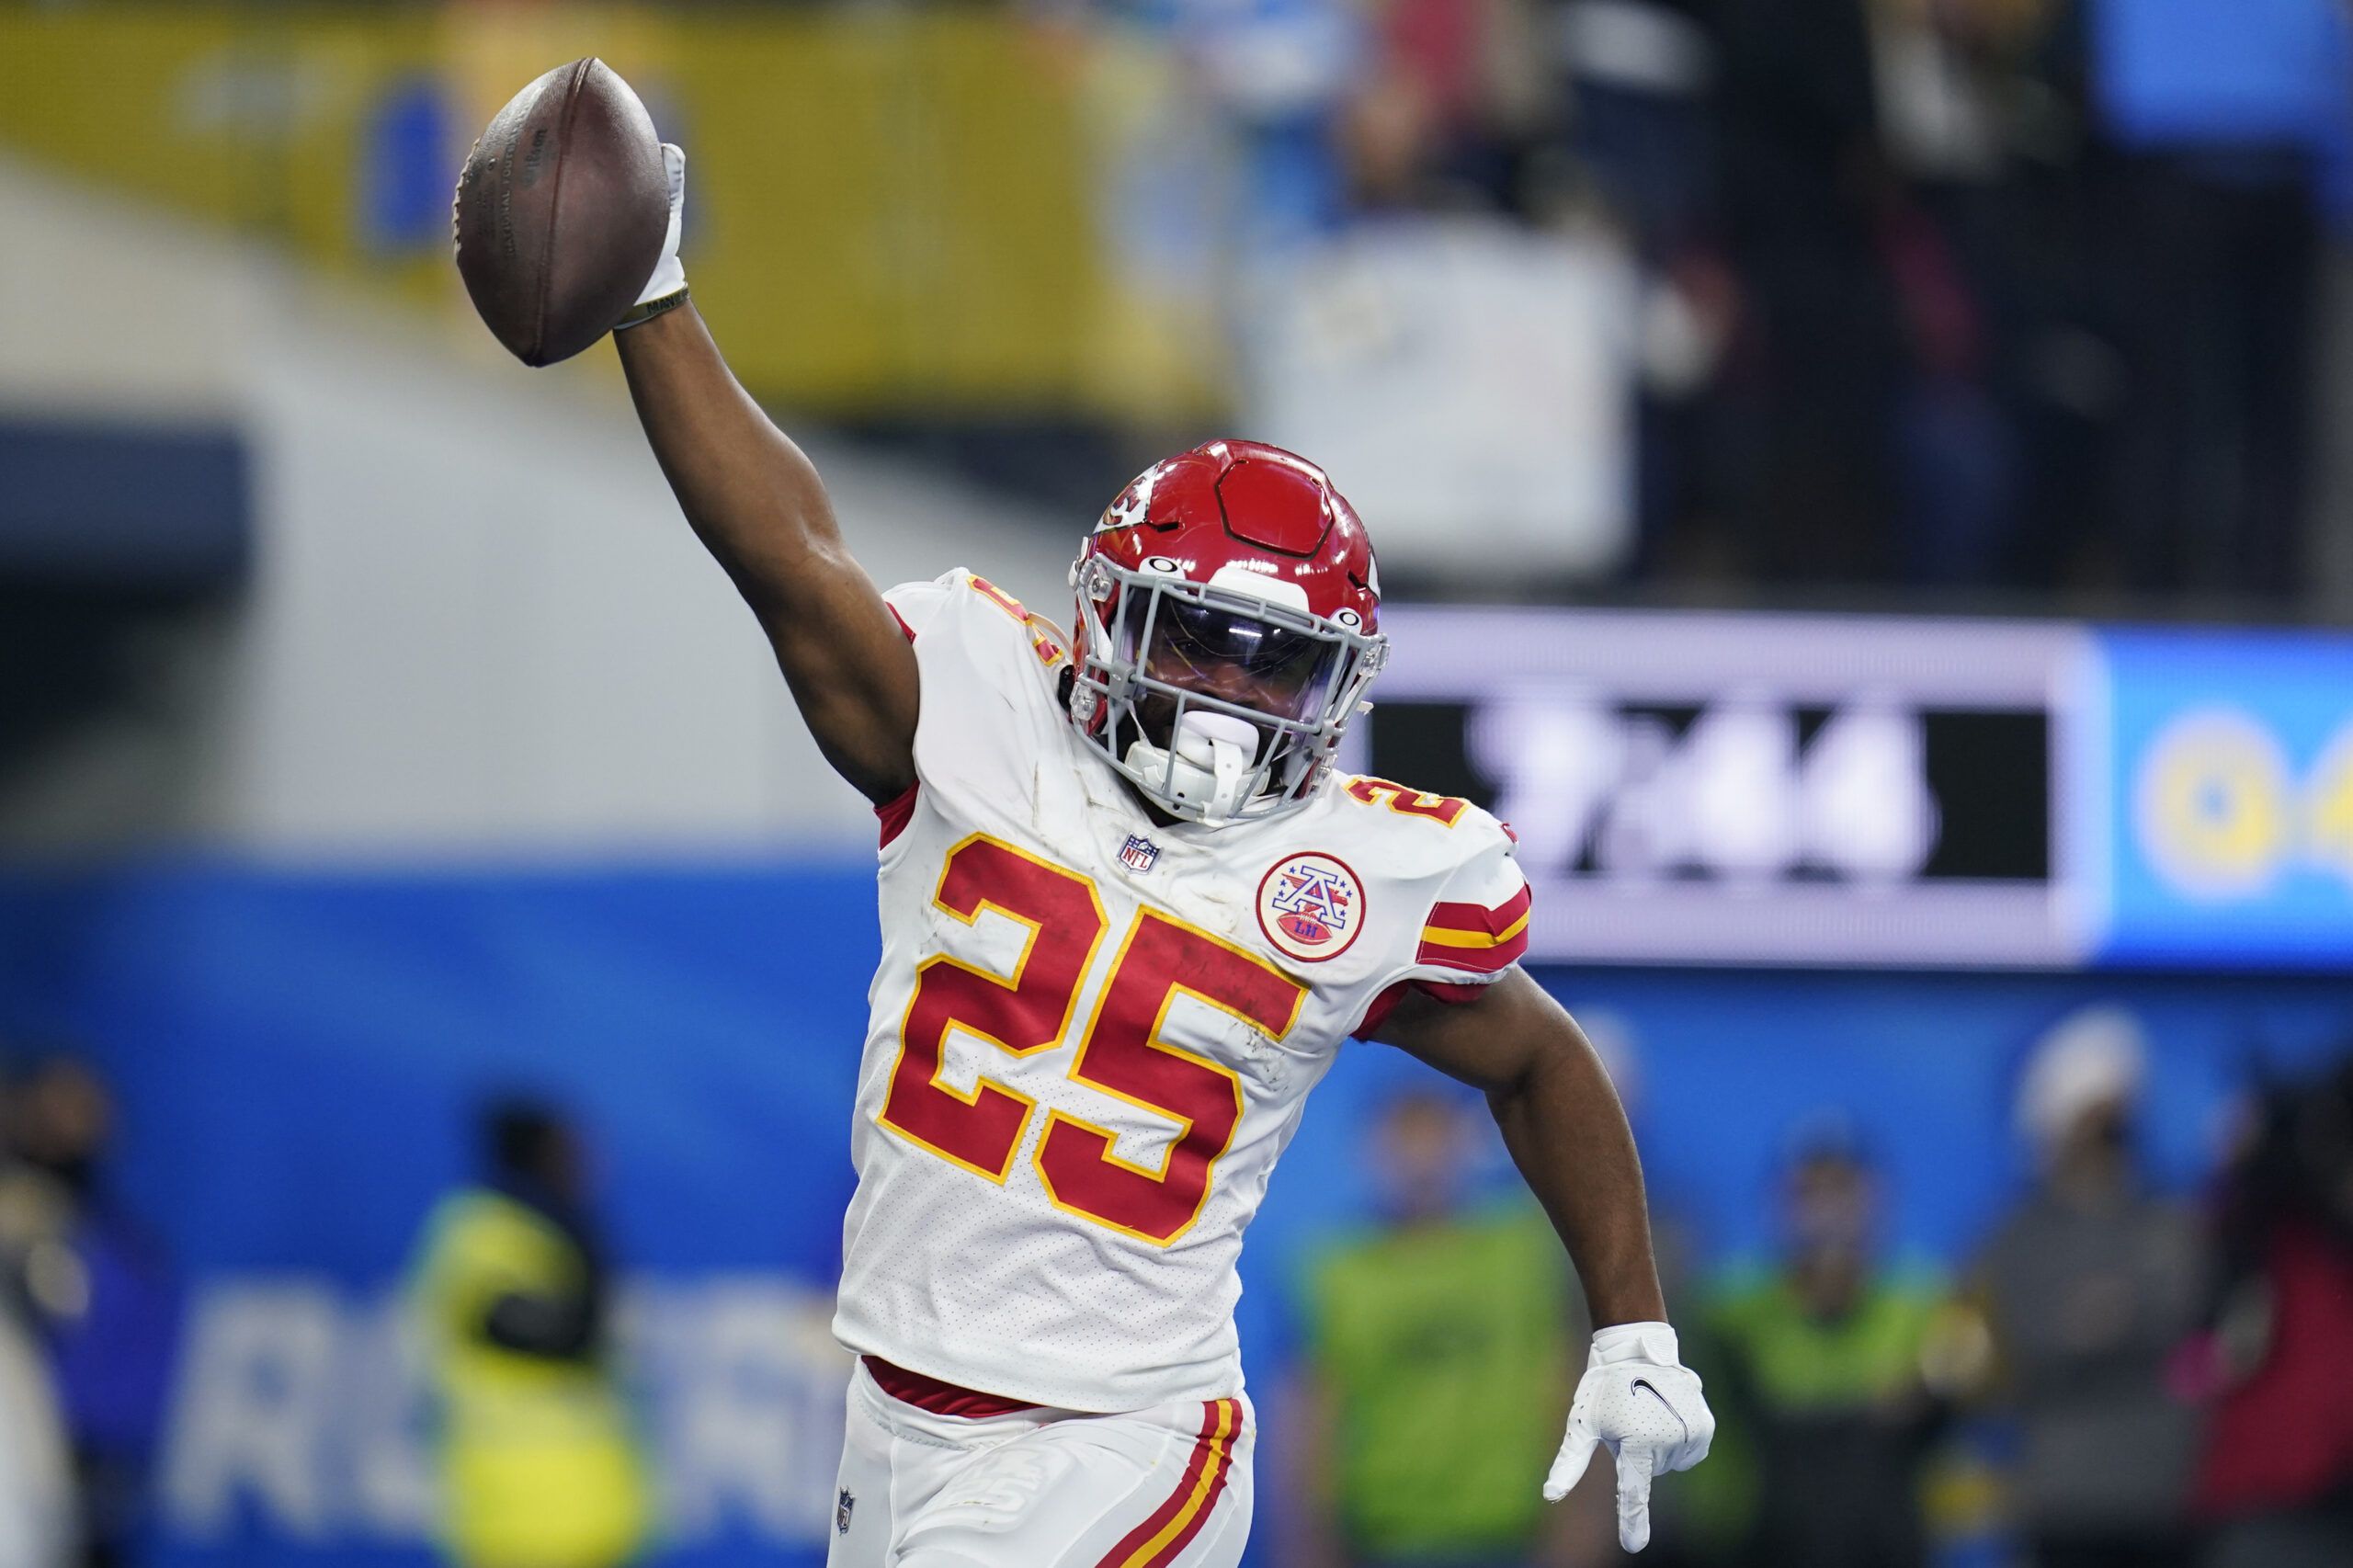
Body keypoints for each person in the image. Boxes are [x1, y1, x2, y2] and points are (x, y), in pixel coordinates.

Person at [578, 145, 1713, 1567]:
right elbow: (792, 560)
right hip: (894, 1407)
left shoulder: (1357, 876)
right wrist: (655, 302)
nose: (1230, 702)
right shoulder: (981, 716)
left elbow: (1538, 1056)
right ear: (1109, 610)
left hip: (1123, 1437)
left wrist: (1631, 1315)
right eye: (1196, 640)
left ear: (1341, 687)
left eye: (1279, 668)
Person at [1285, 1086, 1578, 1568]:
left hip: (1512, 1536)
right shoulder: (1334, 1270)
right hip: (1381, 1539)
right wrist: (1308, 1538)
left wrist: (1579, 1521)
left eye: (1435, 1138)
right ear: (1372, 1153)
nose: (1420, 1159)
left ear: (1465, 1147)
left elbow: (1565, 1383)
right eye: (1404, 1141)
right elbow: (1312, 1408)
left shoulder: (1522, 1251)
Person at [1969, 1007, 2201, 1568]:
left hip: (2164, 1498)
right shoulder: (2014, 1237)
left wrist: (2109, 1322)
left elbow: (2188, 1314)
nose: (2112, 1133)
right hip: (2062, 1502)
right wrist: (2084, 1331)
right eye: (2096, 1116)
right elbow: (2010, 1350)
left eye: (2119, 1115)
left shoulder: (2170, 1223)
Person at [408, 1100, 650, 1568]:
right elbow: (563, 1335)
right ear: (534, 1155)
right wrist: (590, 1251)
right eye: (568, 1149)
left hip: (591, 1511)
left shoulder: (558, 1230)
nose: (587, 1164)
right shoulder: (481, 1236)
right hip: (517, 1515)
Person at [1703, 1117, 1951, 1568]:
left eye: (1843, 1191)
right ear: (1779, 1205)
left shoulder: (1924, 1307)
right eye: (1810, 1193)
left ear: (1875, 1201)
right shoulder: (1734, 1312)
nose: (1828, 1212)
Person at [0, 1056, 176, 1568]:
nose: (69, 1128)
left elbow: (131, 1372)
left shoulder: (123, 1247)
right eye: (54, 1109)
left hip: (74, 1484)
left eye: (85, 1111)